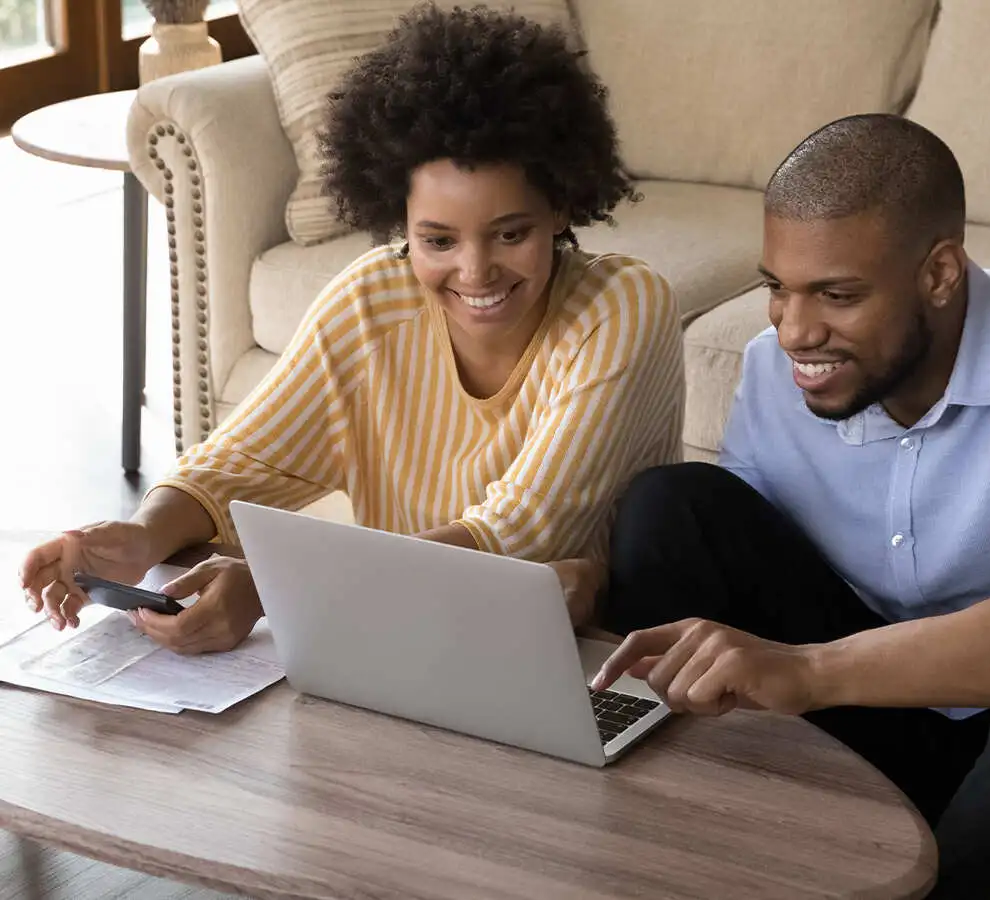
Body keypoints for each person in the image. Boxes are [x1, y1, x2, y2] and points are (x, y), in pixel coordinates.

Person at [590, 114, 990, 898]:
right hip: (880, 720)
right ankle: (696, 852)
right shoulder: (779, 369)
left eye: (837, 295)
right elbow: (726, 551)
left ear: (939, 273)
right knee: (673, 508)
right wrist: (590, 572)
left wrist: (814, 671)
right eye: (778, 287)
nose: (796, 330)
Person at [18, 4, 683, 655]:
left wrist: (275, 588)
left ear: (562, 205)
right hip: (388, 642)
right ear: (399, 218)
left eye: (511, 233)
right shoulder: (373, 299)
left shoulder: (621, 308)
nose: (475, 271)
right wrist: (137, 539)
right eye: (438, 239)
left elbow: (517, 536)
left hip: (578, 662)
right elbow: (241, 462)